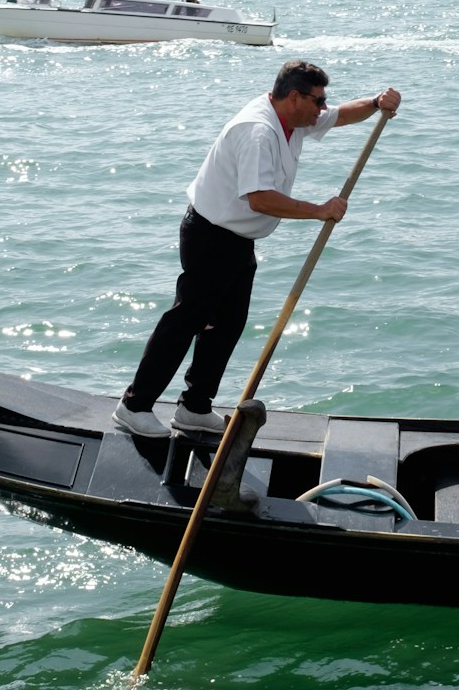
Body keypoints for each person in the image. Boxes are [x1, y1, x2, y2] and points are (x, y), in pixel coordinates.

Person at [113, 60, 402, 437]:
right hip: (210, 235)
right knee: (186, 321)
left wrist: (376, 103)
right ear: (294, 97)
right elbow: (260, 198)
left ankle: (194, 408)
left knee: (227, 325)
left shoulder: (296, 118)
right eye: (318, 100)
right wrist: (319, 210)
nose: (322, 107)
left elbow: (343, 115)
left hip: (238, 240)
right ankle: (134, 406)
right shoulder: (258, 131)